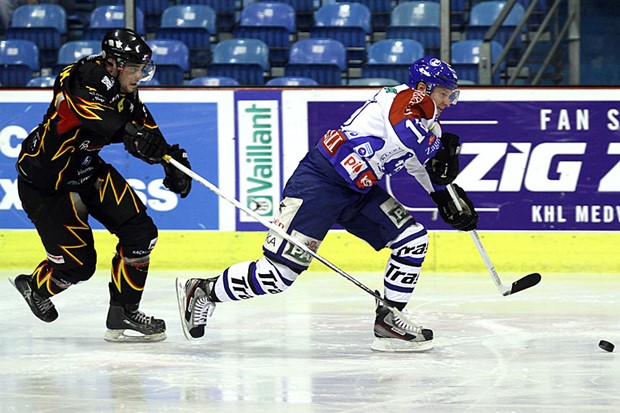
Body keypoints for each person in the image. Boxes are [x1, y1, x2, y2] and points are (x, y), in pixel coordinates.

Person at [176, 56, 478, 352]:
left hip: (358, 191)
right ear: (424, 88)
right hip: (319, 183)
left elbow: (419, 164)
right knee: (280, 275)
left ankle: (390, 319)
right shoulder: (399, 97)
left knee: (412, 240)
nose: (449, 101)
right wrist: (439, 147)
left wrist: (445, 197)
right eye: (444, 93)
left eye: (453, 94)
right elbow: (405, 138)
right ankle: (202, 291)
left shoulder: (429, 125)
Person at [9, 28, 191, 342]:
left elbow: (142, 125)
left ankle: (123, 312)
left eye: (141, 68)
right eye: (133, 68)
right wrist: (134, 137)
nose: (139, 75)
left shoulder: (124, 87)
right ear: (112, 64)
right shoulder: (81, 78)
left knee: (140, 234)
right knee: (78, 267)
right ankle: (34, 286)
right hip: (46, 184)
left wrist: (170, 160)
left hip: (87, 169)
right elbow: (103, 120)